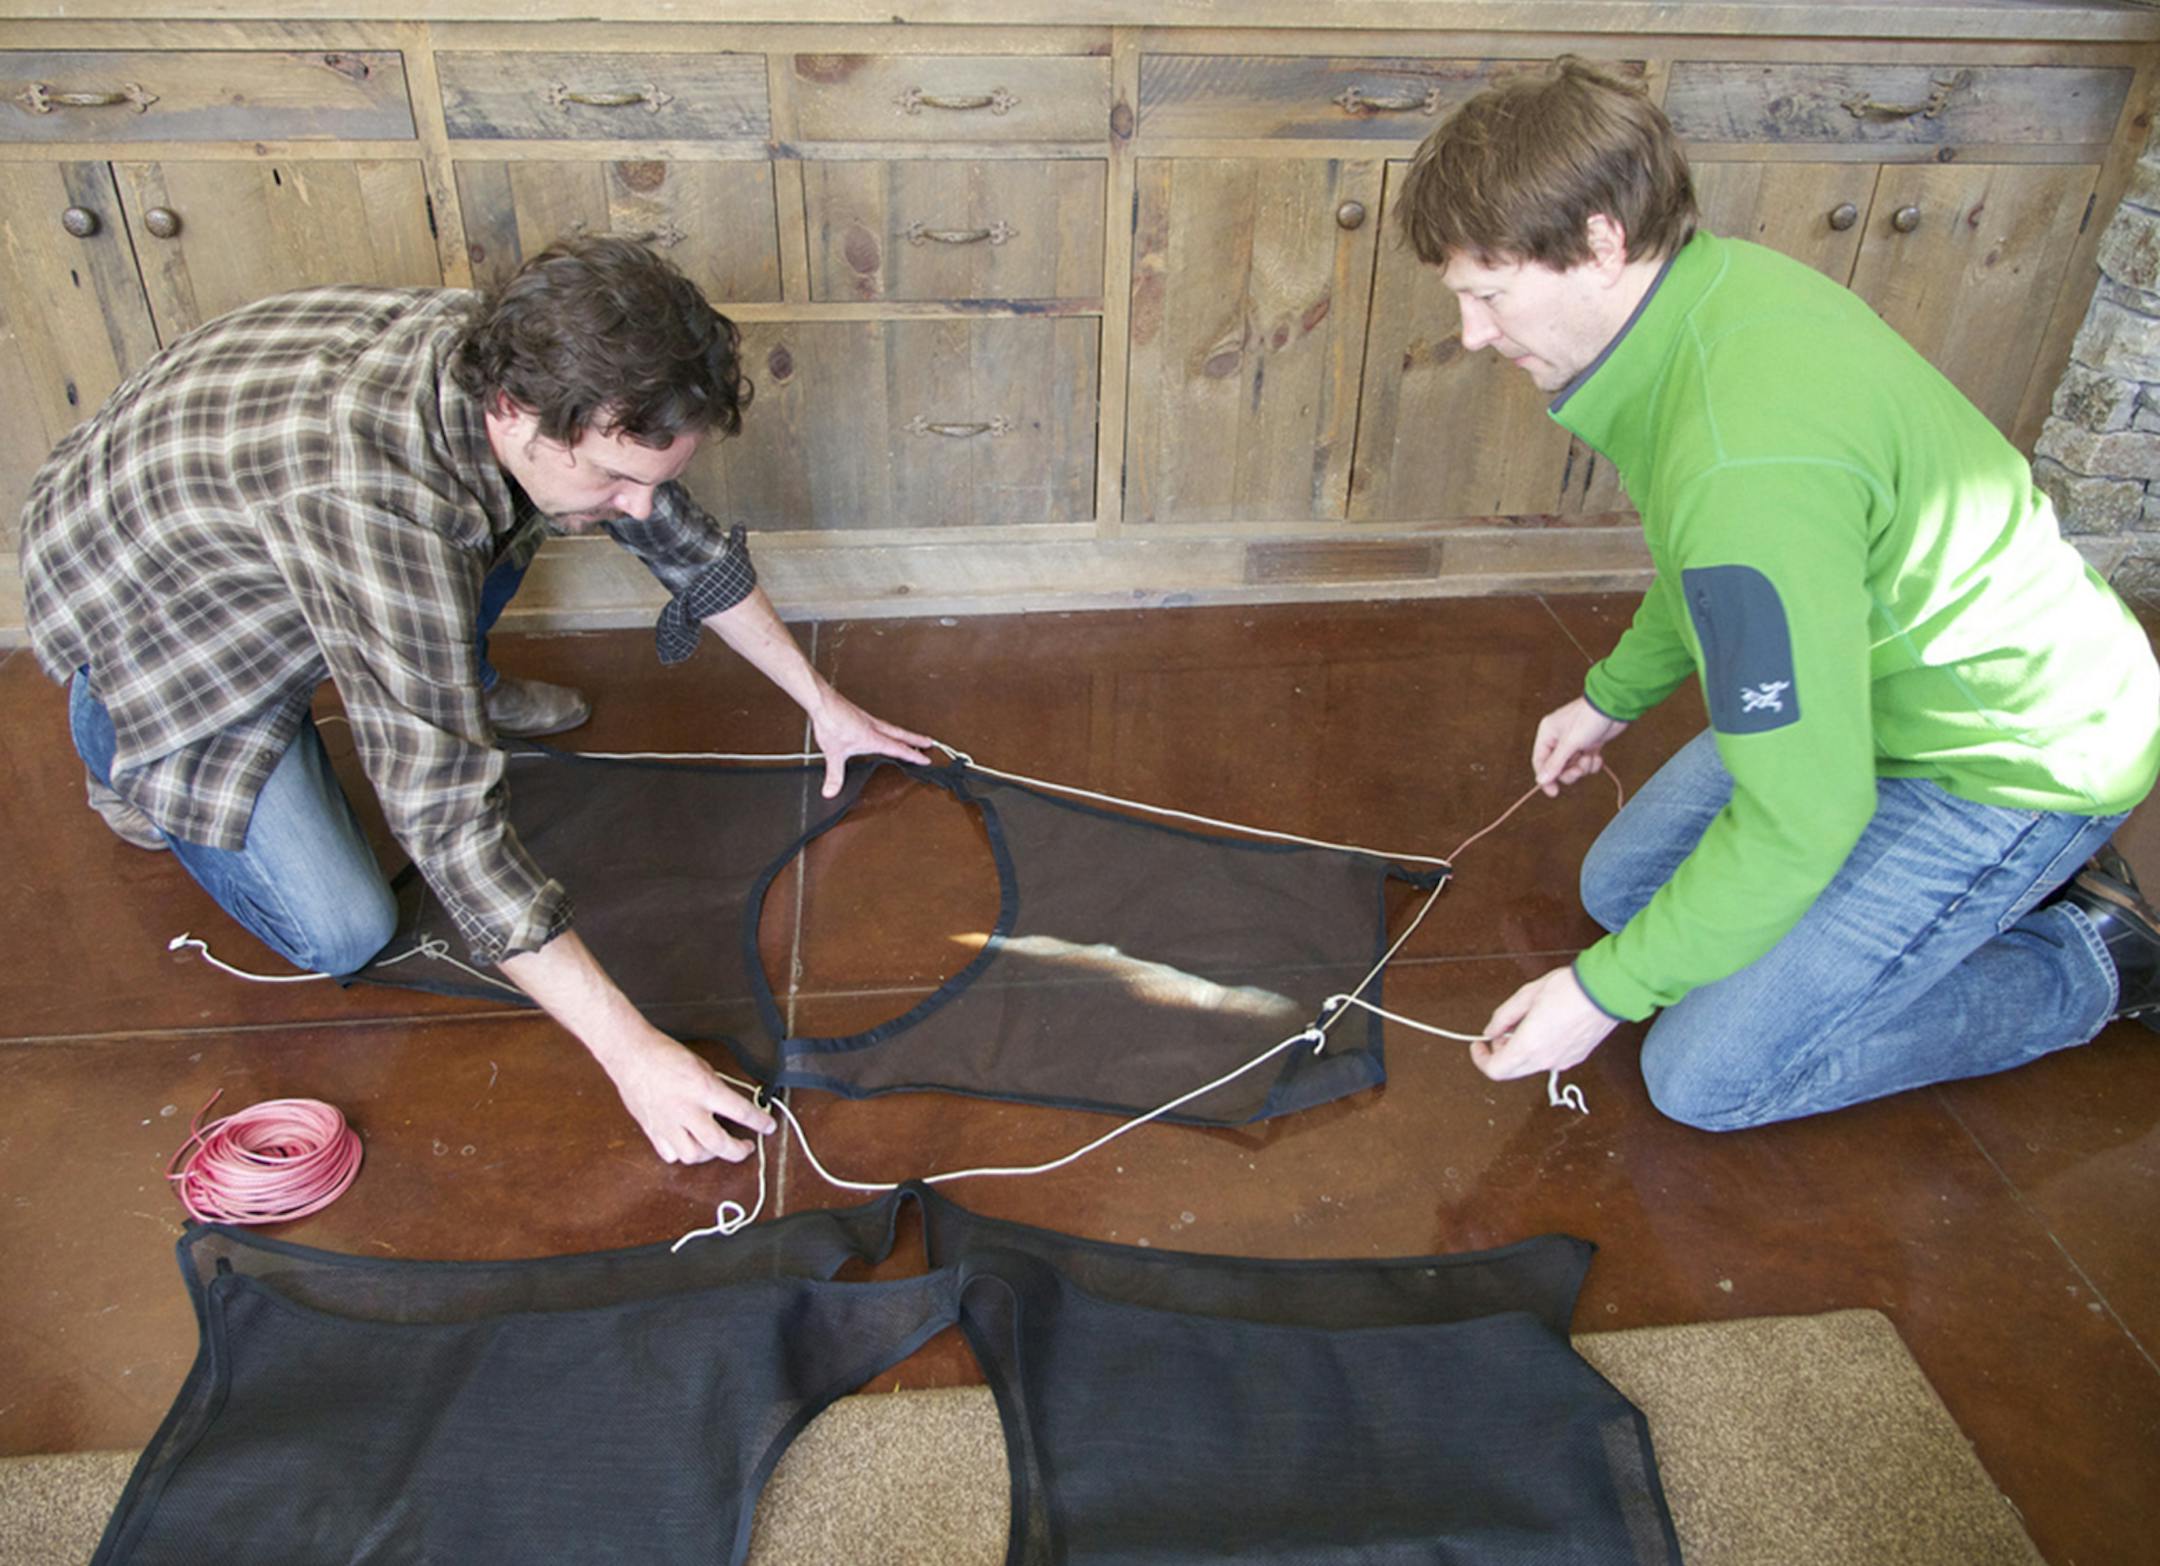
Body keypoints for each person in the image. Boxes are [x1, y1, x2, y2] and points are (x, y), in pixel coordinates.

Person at [20, 235, 933, 1164]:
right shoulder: (384, 507)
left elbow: (669, 531)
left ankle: (442, 675)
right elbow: (446, 820)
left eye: (648, 476)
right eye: (614, 474)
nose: (635, 503)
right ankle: (115, 748)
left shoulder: (527, 364)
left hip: (251, 515)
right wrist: (634, 1055)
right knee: (346, 931)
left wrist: (824, 703)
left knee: (545, 511)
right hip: (158, 625)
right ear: (512, 407)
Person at [1394, 58, 2160, 1128]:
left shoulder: (1740, 460)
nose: (1474, 334)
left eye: (1488, 291)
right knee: (1623, 892)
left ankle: (2095, 957)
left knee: (1705, 1077)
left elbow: (1803, 816)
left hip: (2013, 758)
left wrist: (1599, 996)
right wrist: (1612, 695)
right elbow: (1703, 565)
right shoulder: (1703, 299)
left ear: (1602, 241)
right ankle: (1946, 904)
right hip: (1872, 696)